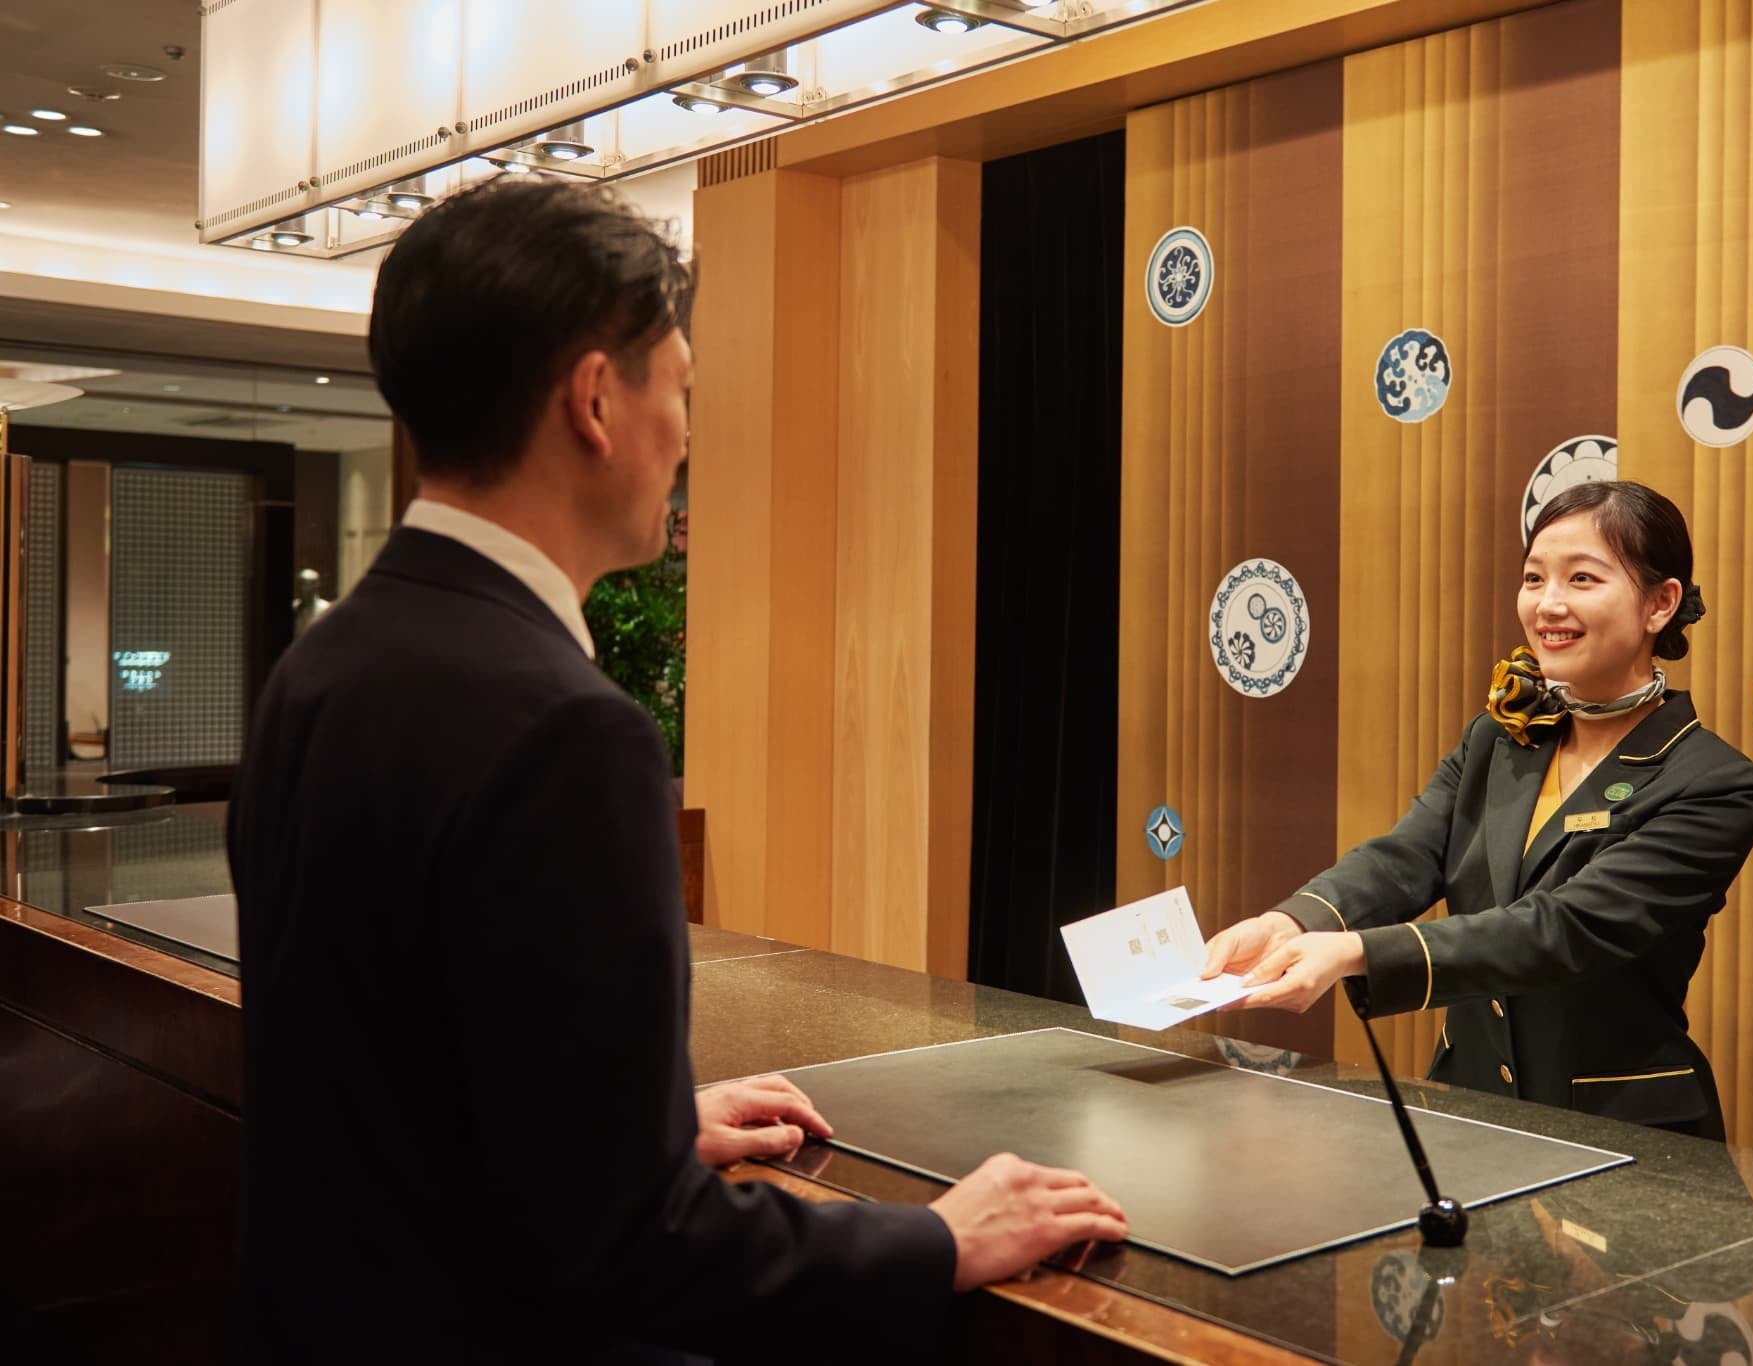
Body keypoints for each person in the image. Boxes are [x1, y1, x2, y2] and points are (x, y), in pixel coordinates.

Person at [227, 177, 1125, 1363]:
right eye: (683, 391)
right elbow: (630, 1252)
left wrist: (626, 1131)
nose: (689, 436)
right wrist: (935, 1237)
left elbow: (384, 1086)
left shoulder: (319, 667)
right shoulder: (566, 730)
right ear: (596, 399)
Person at [1201, 480, 1753, 1139]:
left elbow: (1564, 928)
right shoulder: (1497, 739)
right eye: (1534, 578)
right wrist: (1292, 922)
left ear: (1659, 604)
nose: (1548, 604)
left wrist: (1354, 952)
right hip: (1470, 1114)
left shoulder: (1714, 783)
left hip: (1621, 1133)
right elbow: (1406, 857)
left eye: (1582, 578)